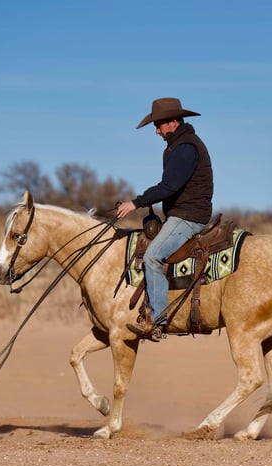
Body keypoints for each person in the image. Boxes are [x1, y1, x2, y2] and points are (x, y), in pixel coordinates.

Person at [117, 97, 214, 341]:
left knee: (152, 256)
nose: (156, 131)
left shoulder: (185, 148)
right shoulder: (178, 146)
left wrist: (136, 202)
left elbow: (169, 186)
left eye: (158, 125)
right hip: (182, 214)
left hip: (188, 217)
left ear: (172, 122)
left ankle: (159, 321)